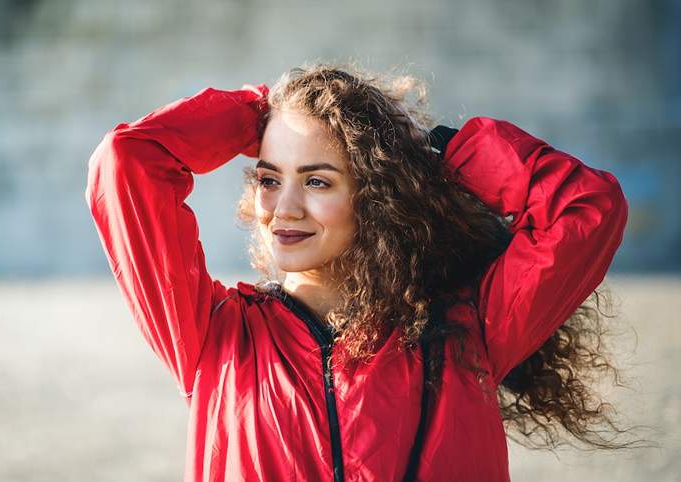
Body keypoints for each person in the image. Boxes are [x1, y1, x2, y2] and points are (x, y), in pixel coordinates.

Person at [84, 63, 630, 482]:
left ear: (378, 197)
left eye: (318, 181)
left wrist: (440, 148)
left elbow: (586, 207)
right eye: (270, 178)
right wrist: (261, 113)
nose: (285, 208)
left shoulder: (470, 330)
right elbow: (127, 160)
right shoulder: (213, 338)